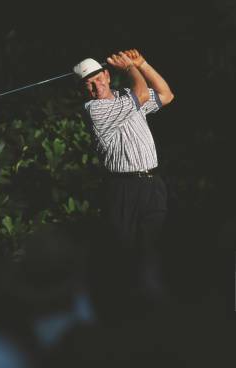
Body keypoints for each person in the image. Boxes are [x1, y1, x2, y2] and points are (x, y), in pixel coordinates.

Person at [74, 49, 174, 316]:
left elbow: (166, 94)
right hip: (121, 189)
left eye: (98, 79)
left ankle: (156, 310)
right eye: (88, 85)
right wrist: (130, 67)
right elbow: (141, 93)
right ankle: (123, 314)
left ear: (107, 75)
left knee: (154, 251)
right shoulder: (95, 109)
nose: (95, 87)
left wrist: (143, 63)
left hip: (152, 184)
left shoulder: (123, 97)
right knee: (124, 257)